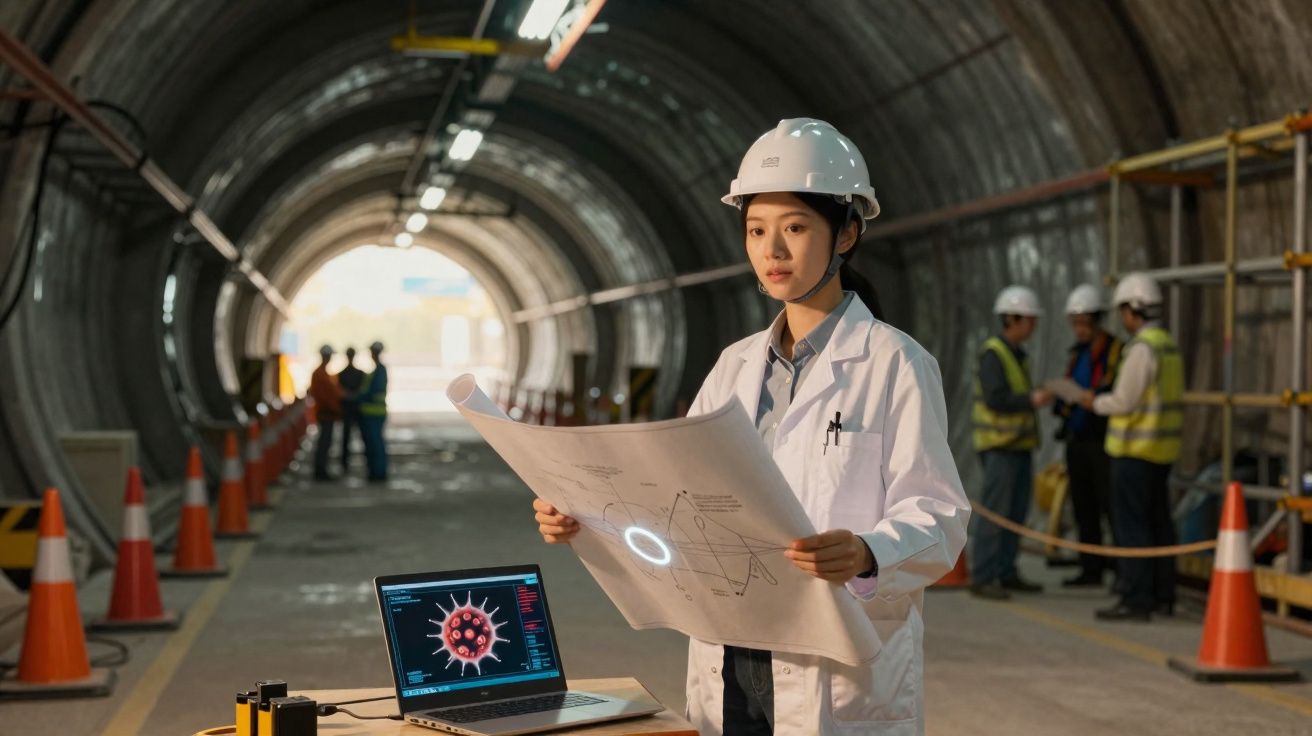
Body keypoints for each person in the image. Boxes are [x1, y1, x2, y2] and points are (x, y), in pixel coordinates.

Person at [531, 118, 969, 734]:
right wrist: (585, 517)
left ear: (846, 233)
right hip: (729, 652)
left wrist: (870, 552)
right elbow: (674, 503)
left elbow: (941, 517)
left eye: (795, 228)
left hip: (836, 666)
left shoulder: (894, 363)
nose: (773, 251)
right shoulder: (734, 365)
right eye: (757, 230)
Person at [1080, 272, 1183, 621]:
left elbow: (1125, 401)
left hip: (1133, 454)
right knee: (1159, 524)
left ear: (1132, 310)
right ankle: (1162, 594)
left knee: (1133, 528)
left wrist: (1093, 402)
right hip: (1160, 453)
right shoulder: (1168, 345)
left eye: (1122, 311)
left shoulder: (1142, 349)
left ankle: (1136, 598)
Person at [969, 285, 1053, 600]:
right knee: (996, 512)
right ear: (1013, 319)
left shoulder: (1018, 355)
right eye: (1029, 320)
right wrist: (1032, 399)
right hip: (999, 447)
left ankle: (1006, 571)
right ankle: (984, 575)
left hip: (1018, 446)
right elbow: (996, 398)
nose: (1033, 327)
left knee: (1015, 512)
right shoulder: (995, 353)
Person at [1053, 284, 1122, 587]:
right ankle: (1090, 568)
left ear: (1096, 320)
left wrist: (1087, 398)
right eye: (1074, 323)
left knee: (1110, 506)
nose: (1078, 329)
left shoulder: (1114, 350)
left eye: (1083, 323)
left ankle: (1122, 572)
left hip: (1101, 440)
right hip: (1077, 440)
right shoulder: (1076, 354)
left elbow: (1110, 389)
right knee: (1084, 507)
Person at [307, 344, 343, 481]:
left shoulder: (322, 373)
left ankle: (321, 470)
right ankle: (320, 471)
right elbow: (325, 397)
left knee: (325, 442)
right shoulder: (320, 374)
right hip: (326, 413)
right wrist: (336, 408)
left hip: (327, 413)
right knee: (324, 443)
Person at [359, 341, 389, 482]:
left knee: (376, 445)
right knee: (372, 445)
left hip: (374, 414)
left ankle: (379, 472)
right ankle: (375, 471)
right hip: (371, 414)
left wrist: (356, 397)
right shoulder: (376, 371)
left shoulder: (380, 371)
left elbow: (371, 392)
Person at [336, 346, 366, 474]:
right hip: (353, 409)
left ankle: (345, 463)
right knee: (352, 437)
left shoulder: (342, 374)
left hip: (350, 409)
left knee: (350, 437)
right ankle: (347, 463)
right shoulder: (358, 374)